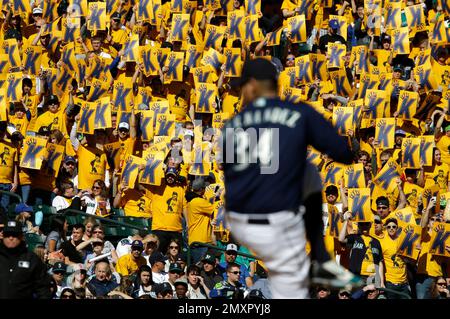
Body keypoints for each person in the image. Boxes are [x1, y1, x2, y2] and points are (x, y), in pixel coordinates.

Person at [221, 58, 355, 299]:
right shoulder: (299, 112)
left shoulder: (233, 124)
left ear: (252, 86)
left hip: (242, 220)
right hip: (277, 218)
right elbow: (344, 154)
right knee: (309, 171)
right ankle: (320, 257)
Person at [0, 220, 52, 298]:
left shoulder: (31, 259)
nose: (11, 238)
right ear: (2, 236)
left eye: (15, 235)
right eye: (7, 235)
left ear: (21, 236)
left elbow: (43, 289)